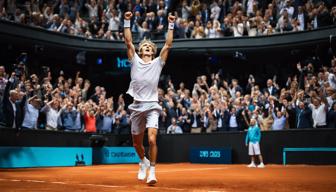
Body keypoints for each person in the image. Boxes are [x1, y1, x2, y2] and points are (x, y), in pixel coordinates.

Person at [123, 11, 175, 185]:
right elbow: (128, 41)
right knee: (137, 145)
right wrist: (127, 21)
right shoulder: (135, 60)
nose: (146, 48)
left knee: (152, 139)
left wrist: (171, 24)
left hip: (152, 105)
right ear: (140, 51)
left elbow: (168, 44)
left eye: (149, 47)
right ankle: (143, 161)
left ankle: (152, 170)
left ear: (153, 52)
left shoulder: (158, 62)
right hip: (137, 106)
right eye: (144, 46)